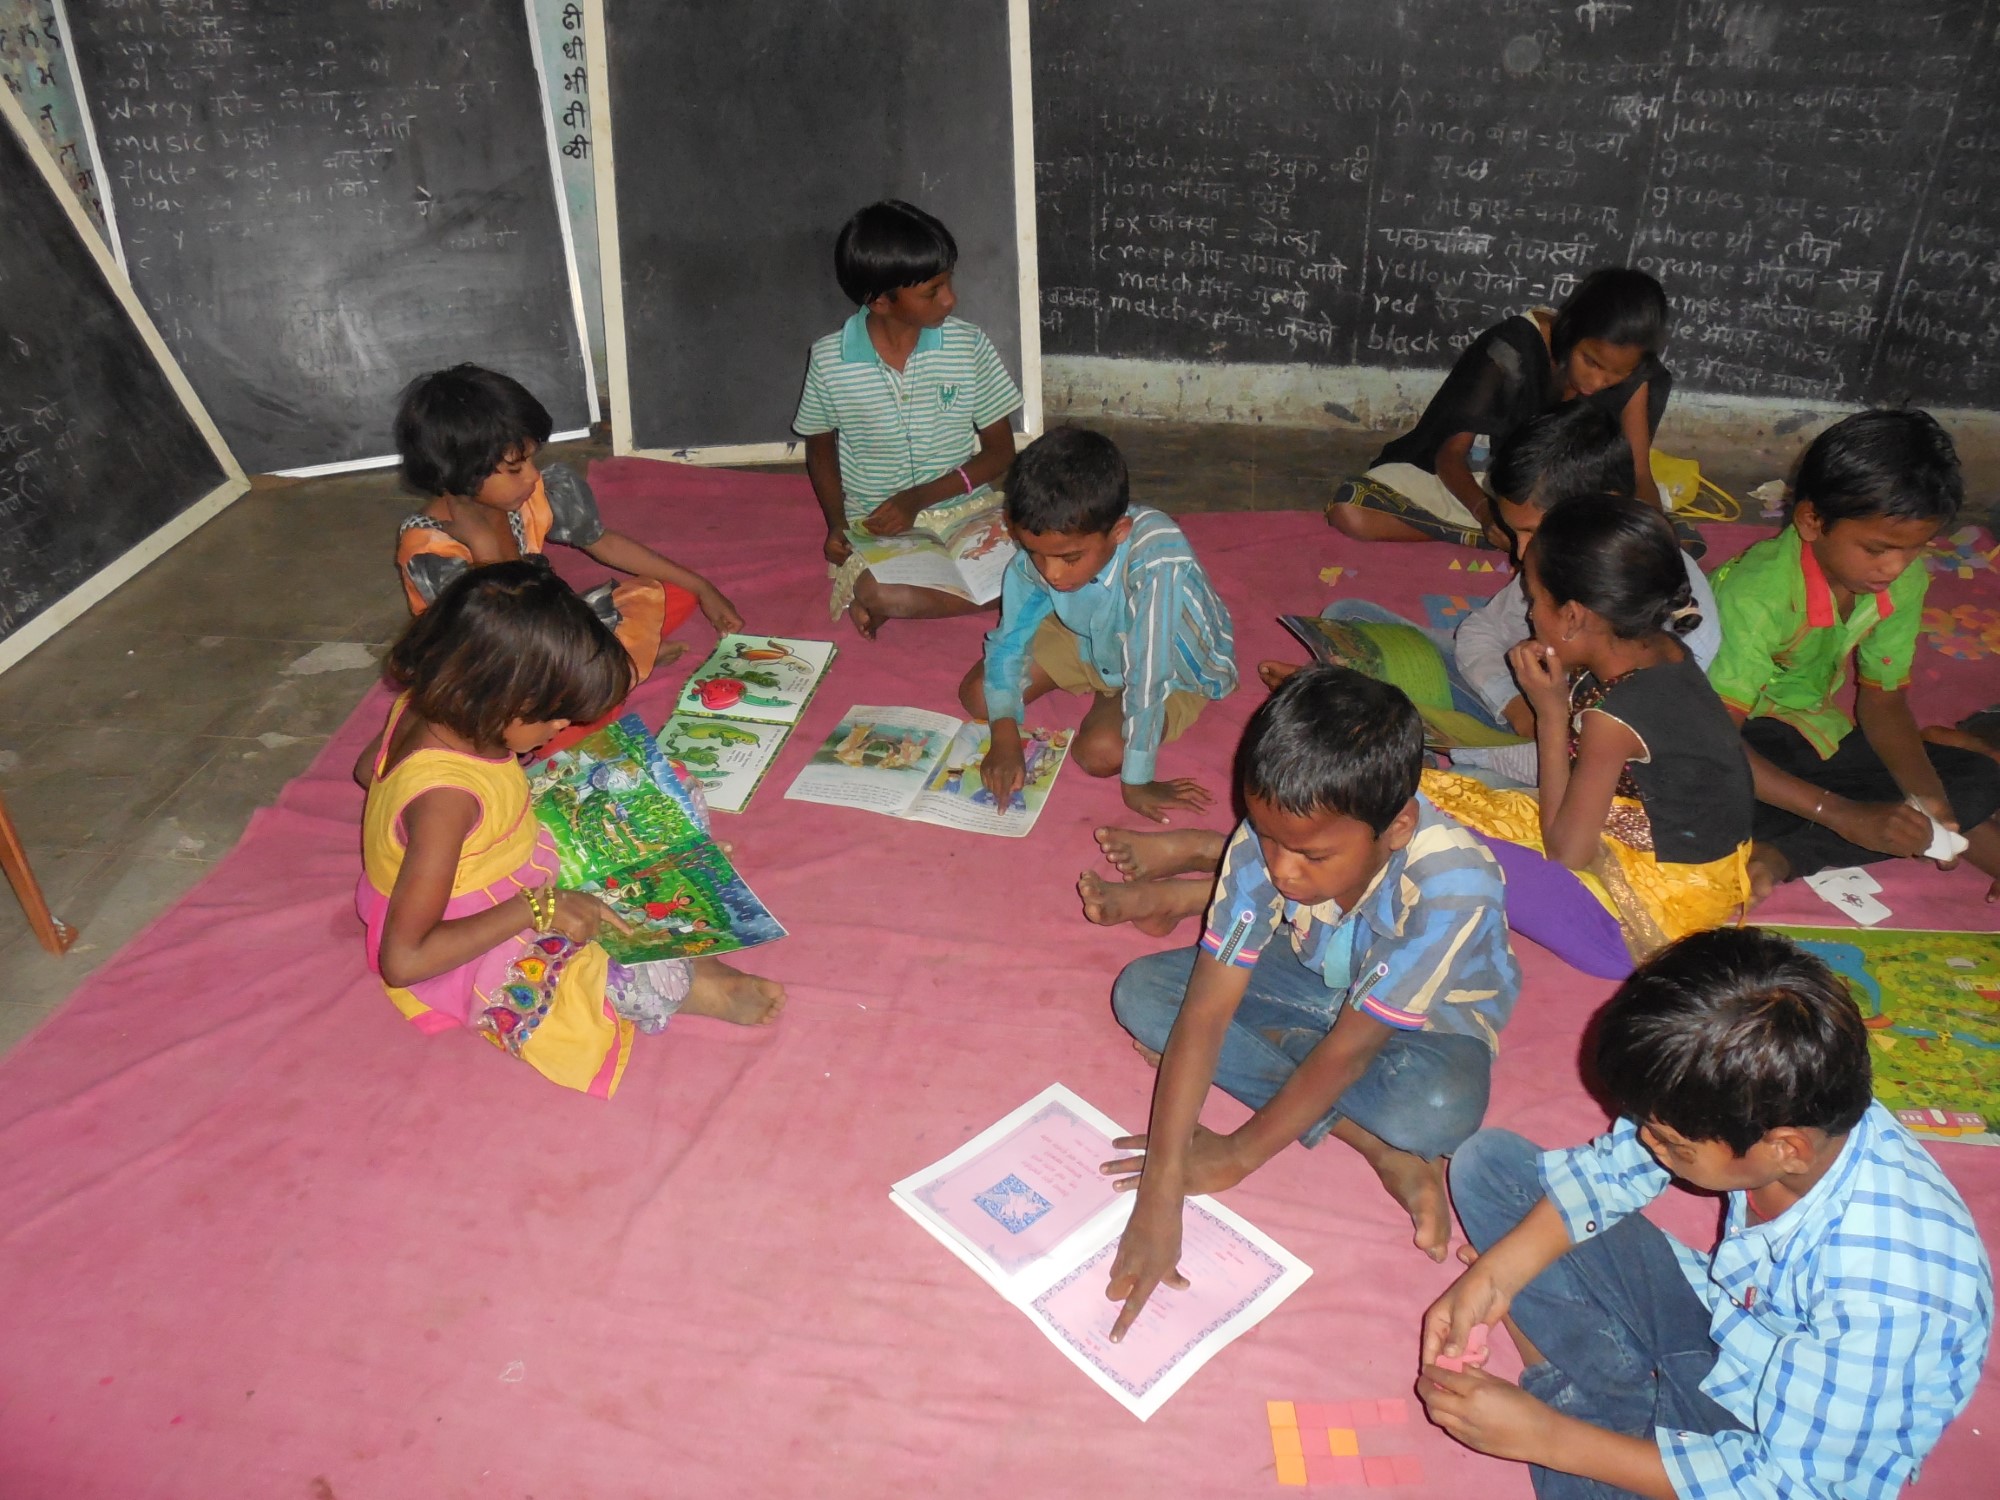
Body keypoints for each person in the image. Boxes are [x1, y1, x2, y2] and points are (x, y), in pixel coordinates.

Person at [1420, 926, 1992, 1500]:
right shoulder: (1784, 1106)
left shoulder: (1891, 1297)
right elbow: (1616, 1169)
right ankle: (1616, 1409)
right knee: (1489, 1168)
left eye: (1673, 1144)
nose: (1647, 1143)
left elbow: (1797, 1487)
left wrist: (1548, 1439)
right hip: (1730, 1318)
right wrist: (1494, 1278)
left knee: (1580, 1465)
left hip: (1771, 1430)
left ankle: (1590, 1409)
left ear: (1785, 1148)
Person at [1099, 667, 1519, 1337]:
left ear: (1398, 826)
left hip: (1430, 1024)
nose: (1281, 869)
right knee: (1147, 995)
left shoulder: (1453, 883)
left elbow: (1350, 1051)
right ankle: (1373, 1146)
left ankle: (1367, 1124)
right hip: (1310, 974)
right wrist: (1161, 1187)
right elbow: (1204, 1011)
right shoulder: (1269, 842)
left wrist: (1237, 1155)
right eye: (1265, 839)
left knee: (1435, 1112)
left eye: (1312, 854)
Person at [354, 560, 784, 1097]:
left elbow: (364, 771)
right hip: (469, 928)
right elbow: (404, 960)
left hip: (504, 849)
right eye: (555, 715)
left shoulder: (427, 702)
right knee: (634, 976)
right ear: (499, 698)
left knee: (660, 781)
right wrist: (537, 909)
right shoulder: (446, 801)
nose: (565, 727)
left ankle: (662, 928)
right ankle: (695, 983)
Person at [1423, 498, 1755, 978]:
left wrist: (1551, 715)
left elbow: (1566, 854)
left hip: (1636, 928)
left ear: (1574, 617)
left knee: (1426, 829)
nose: (1531, 615)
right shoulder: (1663, 648)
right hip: (1668, 859)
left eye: (1534, 600)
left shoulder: (1613, 717)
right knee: (1435, 794)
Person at [1705, 409, 2000, 900]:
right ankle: (1793, 849)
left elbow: (1884, 702)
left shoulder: (1901, 579)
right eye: (1878, 548)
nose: (1896, 567)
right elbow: (1713, 743)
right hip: (1729, 738)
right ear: (1812, 520)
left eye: (1914, 549)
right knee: (1699, 801)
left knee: (1975, 782)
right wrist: (1837, 813)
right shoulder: (1757, 595)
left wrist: (1929, 799)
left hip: (1813, 736)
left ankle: (1784, 849)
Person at [393, 363, 740, 698]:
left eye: (531, 460)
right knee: (540, 708)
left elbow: (601, 541)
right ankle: (614, 671)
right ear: (464, 472)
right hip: (491, 662)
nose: (532, 476)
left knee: (664, 592)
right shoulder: (431, 549)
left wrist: (700, 586)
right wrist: (484, 549)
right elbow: (495, 638)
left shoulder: (526, 497)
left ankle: (612, 668)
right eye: (515, 468)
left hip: (544, 631)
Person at [959, 426, 1237, 823]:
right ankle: (1101, 682)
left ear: (1119, 533)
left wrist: (1138, 783)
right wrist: (1004, 736)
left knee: (1102, 753)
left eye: (1069, 558)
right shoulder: (1047, 554)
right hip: (1087, 634)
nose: (1052, 573)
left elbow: (1148, 669)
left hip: (1170, 664)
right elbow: (1008, 643)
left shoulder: (1157, 560)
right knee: (980, 698)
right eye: (1035, 554)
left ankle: (1109, 696)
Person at [1453, 402, 1722, 788]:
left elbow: (1607, 769)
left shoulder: (1667, 621)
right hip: (1530, 706)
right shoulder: (1555, 558)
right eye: (1515, 533)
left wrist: (1537, 728)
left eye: (1532, 531)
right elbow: (1481, 631)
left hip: (1591, 774)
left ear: (1604, 503)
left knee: (1465, 778)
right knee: (1357, 621)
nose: (1520, 553)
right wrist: (1515, 708)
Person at [794, 199, 1024, 638]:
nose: (950, 299)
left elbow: (1000, 452)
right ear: (880, 301)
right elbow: (820, 446)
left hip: (965, 510)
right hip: (879, 525)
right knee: (881, 592)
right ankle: (963, 596)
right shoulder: (829, 360)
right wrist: (838, 524)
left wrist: (919, 498)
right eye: (932, 291)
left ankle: (935, 597)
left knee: (1044, 556)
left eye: (948, 282)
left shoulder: (968, 345)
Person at [1326, 268, 1674, 547]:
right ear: (1572, 329)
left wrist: (1656, 539)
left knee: (1659, 535)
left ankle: (1537, 537)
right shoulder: (1513, 347)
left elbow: (1639, 475)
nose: (1598, 383)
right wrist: (1487, 514)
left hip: (1565, 497)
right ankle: (1530, 538)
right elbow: (1450, 456)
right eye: (1591, 362)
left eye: (1617, 375)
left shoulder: (1635, 376)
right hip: (1487, 487)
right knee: (1353, 511)